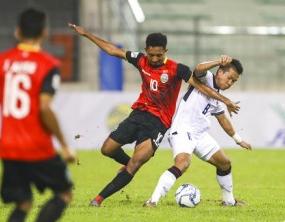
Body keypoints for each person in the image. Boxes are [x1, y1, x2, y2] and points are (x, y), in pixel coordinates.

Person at [68, 23, 239, 207]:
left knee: (136, 163)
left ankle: (99, 199)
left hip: (159, 123)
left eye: (159, 55)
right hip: (138, 114)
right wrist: (86, 34)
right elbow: (112, 50)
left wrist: (224, 100)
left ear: (166, 51)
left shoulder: (176, 69)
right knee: (107, 149)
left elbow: (202, 88)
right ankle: (128, 164)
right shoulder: (140, 60)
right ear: (145, 51)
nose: (155, 59)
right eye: (151, 55)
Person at [0, 8, 76, 222]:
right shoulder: (48, 64)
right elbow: (44, 107)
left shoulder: (2, 61)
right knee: (65, 193)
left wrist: (0, 96)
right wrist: (65, 145)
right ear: (45, 33)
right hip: (38, 148)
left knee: (23, 202)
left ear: (17, 32)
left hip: (8, 148)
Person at [143, 55, 252, 208]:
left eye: (233, 81)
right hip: (183, 129)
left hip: (199, 135)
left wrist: (238, 139)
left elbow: (223, 120)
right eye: (229, 78)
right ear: (220, 72)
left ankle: (228, 201)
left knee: (225, 163)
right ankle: (152, 200)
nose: (230, 83)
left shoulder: (218, 97)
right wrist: (218, 61)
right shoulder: (206, 78)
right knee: (183, 163)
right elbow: (198, 68)